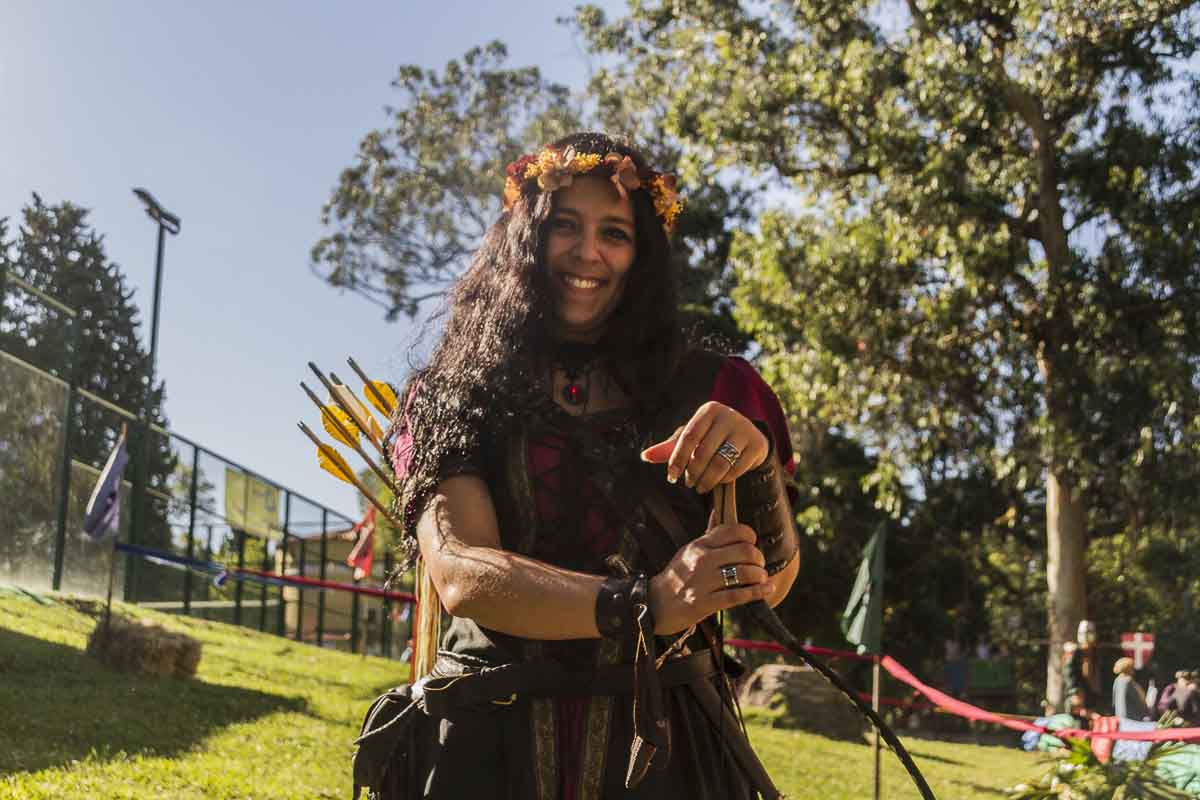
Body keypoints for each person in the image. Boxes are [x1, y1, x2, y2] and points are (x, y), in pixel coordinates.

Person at [356, 132, 801, 800]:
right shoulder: (452, 390)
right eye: (564, 224)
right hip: (486, 750)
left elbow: (772, 581)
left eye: (614, 232)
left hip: (670, 760)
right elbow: (460, 573)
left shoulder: (720, 388)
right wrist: (646, 604)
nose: (587, 251)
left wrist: (758, 467)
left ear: (642, 255)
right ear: (523, 238)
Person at [1063, 619, 1101, 721]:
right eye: (1085, 633)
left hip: (1090, 698)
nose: (1087, 636)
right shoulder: (1074, 652)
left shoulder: (1094, 653)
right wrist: (1074, 692)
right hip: (1078, 699)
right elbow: (1069, 671)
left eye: (1090, 633)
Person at [1112, 657, 1151, 721]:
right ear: (1128, 668)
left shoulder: (1117, 680)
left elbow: (1114, 702)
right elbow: (1137, 701)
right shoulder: (1129, 681)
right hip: (1131, 718)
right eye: (1132, 667)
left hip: (1119, 716)